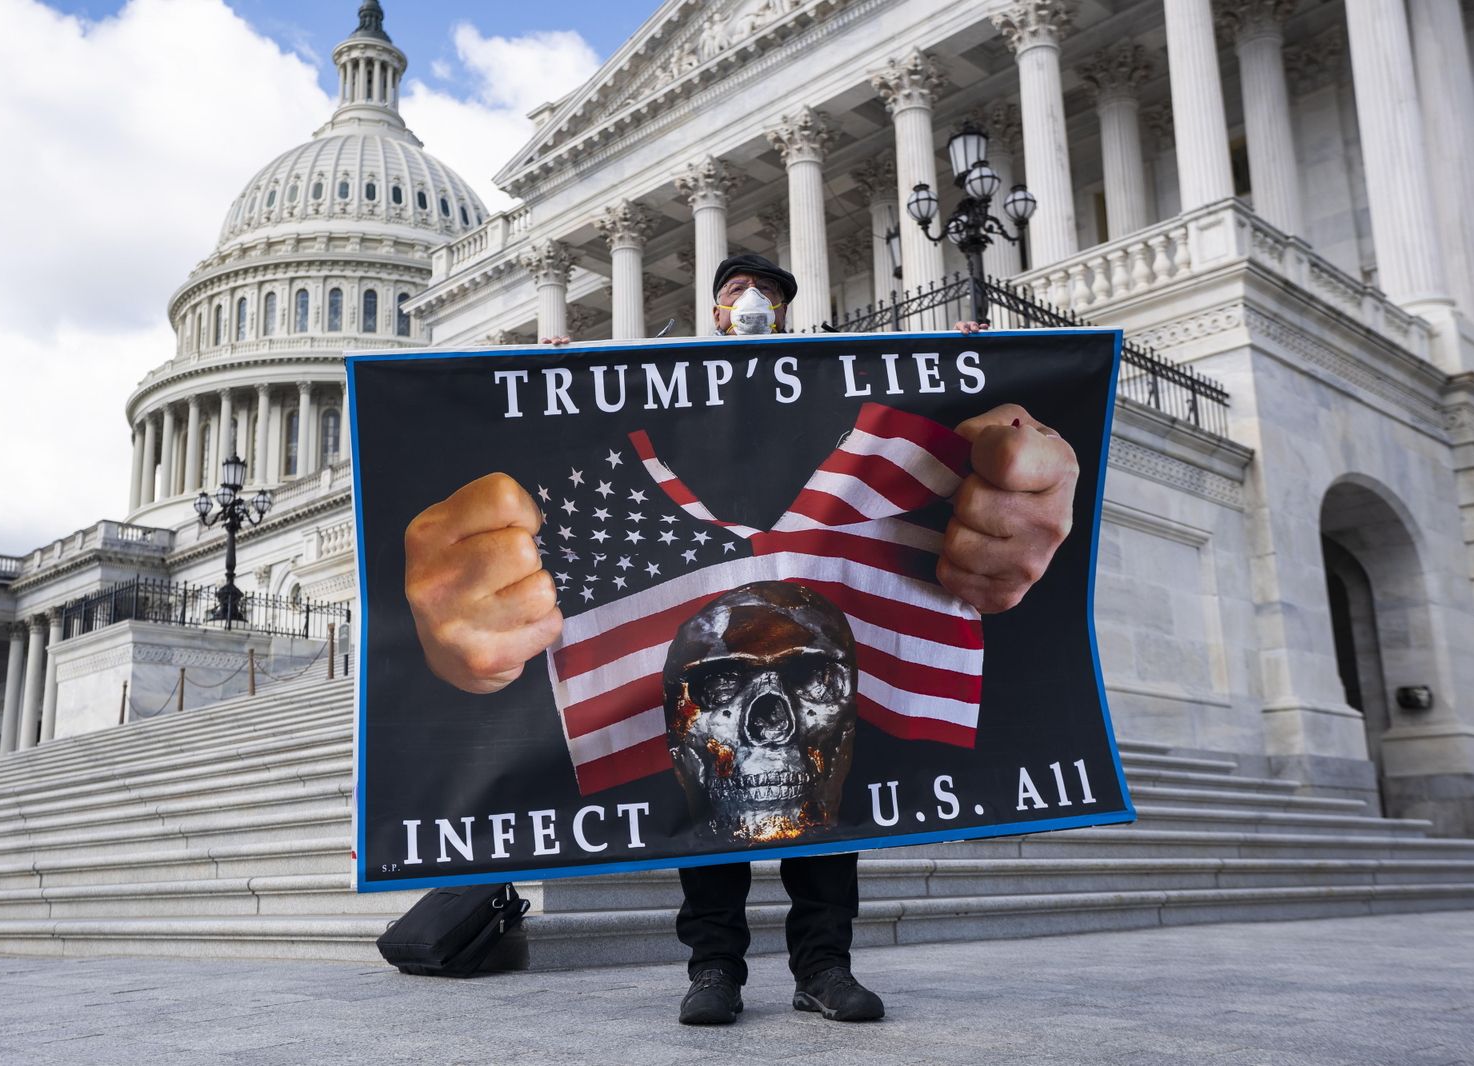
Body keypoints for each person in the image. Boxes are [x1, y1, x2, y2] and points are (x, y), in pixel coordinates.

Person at [403, 253, 1079, 1025]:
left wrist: (970, 367)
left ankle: (822, 968)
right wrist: (574, 379)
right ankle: (713, 970)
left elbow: (928, 404)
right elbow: (578, 440)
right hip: (708, 644)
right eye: (734, 293)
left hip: (823, 628)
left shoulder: (831, 376)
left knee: (828, 823)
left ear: (788, 310)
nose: (751, 303)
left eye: (767, 294)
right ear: (713, 306)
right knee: (705, 813)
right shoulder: (664, 379)